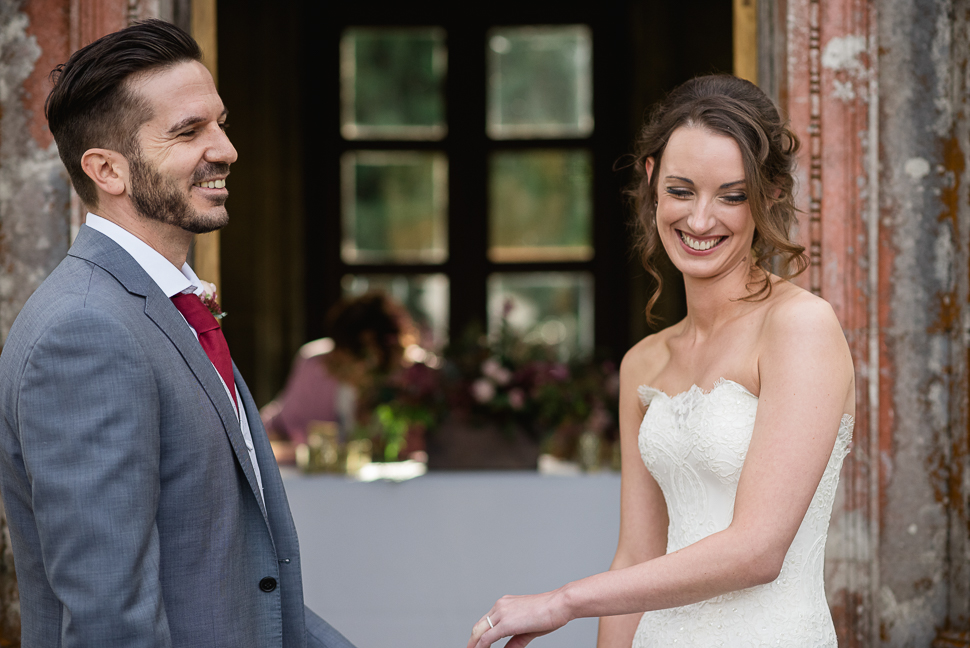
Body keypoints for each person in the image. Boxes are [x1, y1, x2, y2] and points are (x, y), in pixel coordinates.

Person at [0, 20, 354, 648]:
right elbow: (111, 621)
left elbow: (244, 585)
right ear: (108, 169)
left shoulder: (167, 306)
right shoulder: (86, 333)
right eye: (188, 132)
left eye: (219, 123)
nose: (225, 149)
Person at [468, 74, 855, 648]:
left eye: (733, 195)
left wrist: (565, 600)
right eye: (681, 190)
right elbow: (637, 554)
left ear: (770, 195)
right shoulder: (643, 364)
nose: (700, 220)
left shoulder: (799, 326)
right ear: (651, 182)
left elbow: (758, 551)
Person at [261, 291, 414, 463]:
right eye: (338, 348)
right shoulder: (317, 363)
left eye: (358, 355)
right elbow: (281, 423)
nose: (336, 360)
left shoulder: (412, 377)